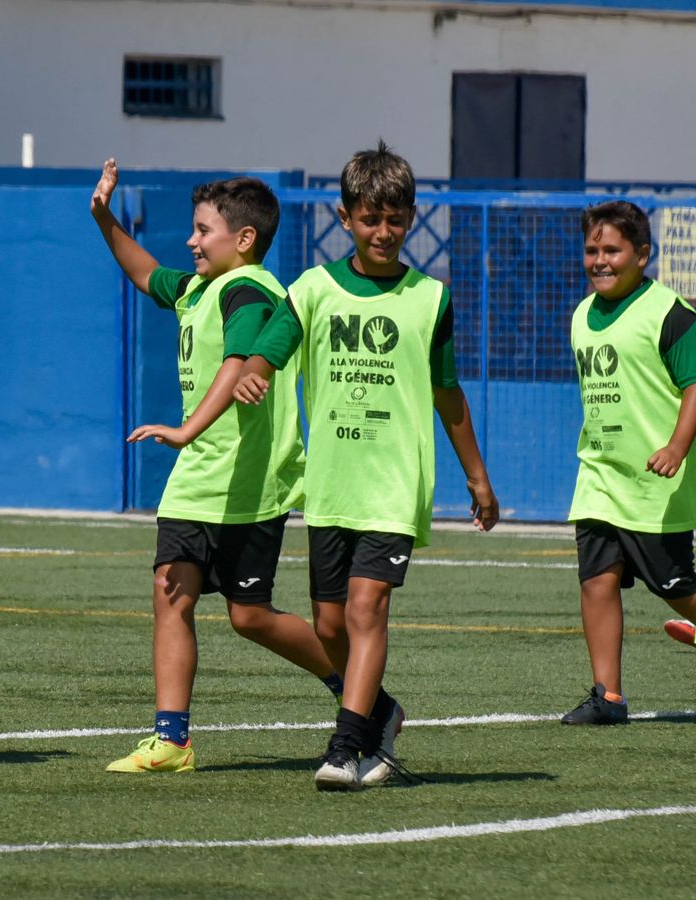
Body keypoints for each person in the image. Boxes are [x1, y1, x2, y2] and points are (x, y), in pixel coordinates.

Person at [235, 141, 499, 791]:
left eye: (396, 219)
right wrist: (253, 376)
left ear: (411, 218)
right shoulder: (313, 290)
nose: (384, 232)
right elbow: (267, 351)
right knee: (329, 625)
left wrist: (477, 476)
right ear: (345, 216)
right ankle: (382, 712)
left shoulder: (431, 299)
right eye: (370, 218)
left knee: (366, 609)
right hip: (330, 484)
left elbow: (447, 393)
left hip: (392, 485)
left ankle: (347, 746)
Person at [89, 160, 341, 773]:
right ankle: (171, 740)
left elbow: (236, 365)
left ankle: (356, 689)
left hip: (248, 480)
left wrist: (185, 429)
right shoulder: (201, 287)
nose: (191, 241)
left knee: (249, 617)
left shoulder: (250, 290)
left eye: (202, 231)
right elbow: (146, 272)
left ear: (244, 239)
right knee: (170, 592)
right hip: (198, 479)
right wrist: (103, 218)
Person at [561, 200, 696, 726]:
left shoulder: (671, 313)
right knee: (596, 579)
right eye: (591, 250)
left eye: (612, 250)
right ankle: (608, 696)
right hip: (601, 475)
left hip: (656, 483)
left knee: (674, 586)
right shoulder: (581, 314)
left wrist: (675, 447)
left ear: (642, 255)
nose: (600, 261)